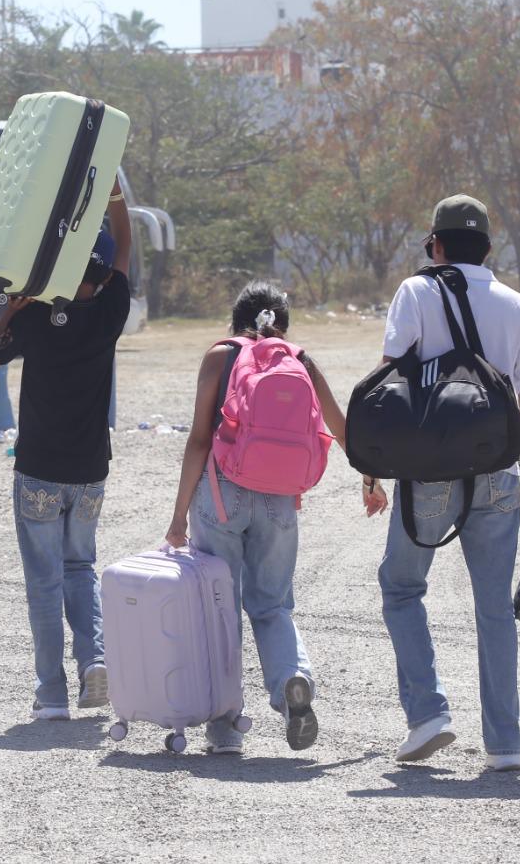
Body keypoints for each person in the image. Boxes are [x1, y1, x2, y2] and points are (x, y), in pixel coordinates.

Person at [360, 195, 520, 773]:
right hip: (499, 471)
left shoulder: (417, 292)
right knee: (493, 608)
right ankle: (505, 746)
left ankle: (428, 715)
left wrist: (372, 468)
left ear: (436, 245)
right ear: (488, 248)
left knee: (401, 587)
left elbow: (390, 383)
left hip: (428, 472)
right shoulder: (516, 305)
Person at [162, 281, 347, 754]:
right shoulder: (299, 359)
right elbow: (340, 427)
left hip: (221, 495)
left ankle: (224, 729)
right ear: (283, 322)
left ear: (235, 316)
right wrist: (372, 477)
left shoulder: (220, 356)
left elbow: (200, 438)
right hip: (280, 498)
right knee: (272, 605)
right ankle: (291, 680)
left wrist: (179, 515)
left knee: (219, 610)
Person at [0, 178, 132, 721]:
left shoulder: (38, 317)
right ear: (105, 275)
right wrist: (115, 200)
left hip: (39, 468)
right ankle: (94, 660)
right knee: (80, 567)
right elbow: (126, 250)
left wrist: (13, 309)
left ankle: (52, 694)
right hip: (90, 469)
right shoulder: (112, 310)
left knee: (42, 583)